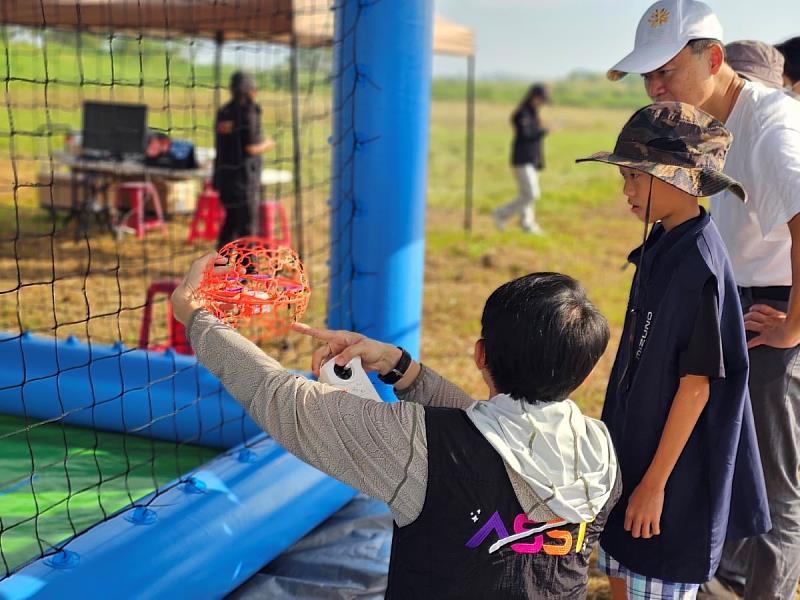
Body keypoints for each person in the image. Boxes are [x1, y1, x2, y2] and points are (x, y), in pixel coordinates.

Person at [171, 262, 621, 598]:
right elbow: (494, 439)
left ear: (481, 355)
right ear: (581, 376)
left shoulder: (422, 446)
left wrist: (196, 316)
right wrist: (397, 366)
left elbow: (282, 398)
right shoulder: (600, 455)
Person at [607, 1, 800, 596]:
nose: (657, 86)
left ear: (713, 58)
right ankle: (723, 577)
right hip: (734, 301)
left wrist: (793, 327)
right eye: (648, 76)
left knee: (771, 484)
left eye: (667, 71)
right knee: (731, 462)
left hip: (771, 309)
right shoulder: (708, 125)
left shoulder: (771, 123)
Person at [576, 101, 769, 599]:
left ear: (680, 179)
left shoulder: (699, 267)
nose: (627, 191)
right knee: (623, 573)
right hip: (638, 454)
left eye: (636, 178)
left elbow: (697, 386)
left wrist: (654, 484)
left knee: (651, 574)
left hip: (671, 478)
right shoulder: (666, 243)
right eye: (625, 177)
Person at [213, 71, 274, 249]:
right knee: (247, 229)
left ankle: (219, 267)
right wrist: (268, 144)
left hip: (225, 178)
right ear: (252, 90)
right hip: (244, 180)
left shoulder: (224, 111)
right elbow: (251, 147)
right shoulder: (248, 112)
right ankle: (250, 271)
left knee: (230, 224)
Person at [493, 84, 549, 234]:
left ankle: (527, 224)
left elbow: (535, 140)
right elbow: (526, 135)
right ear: (534, 97)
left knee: (526, 195)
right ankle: (501, 213)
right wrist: (543, 131)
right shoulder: (522, 113)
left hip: (532, 160)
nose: (543, 103)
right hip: (522, 160)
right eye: (542, 99)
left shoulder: (533, 113)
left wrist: (540, 161)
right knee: (531, 194)